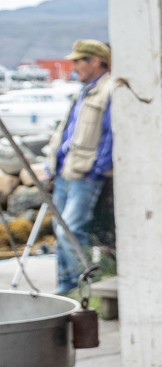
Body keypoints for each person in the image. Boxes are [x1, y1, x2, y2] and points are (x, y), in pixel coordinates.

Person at [44, 40, 114, 297]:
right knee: (59, 229)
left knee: (71, 230)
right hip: (65, 171)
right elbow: (66, 131)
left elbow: (110, 135)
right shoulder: (83, 91)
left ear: (95, 61)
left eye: (78, 61)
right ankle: (65, 283)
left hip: (85, 174)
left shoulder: (108, 90)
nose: (73, 66)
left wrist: (97, 168)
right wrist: (51, 165)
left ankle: (82, 285)